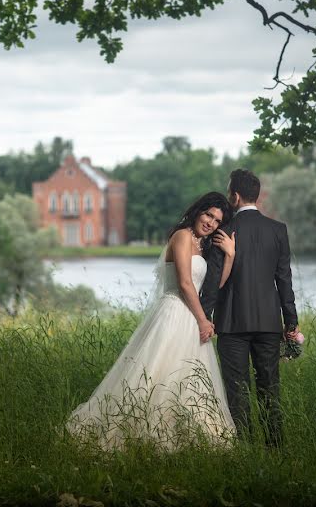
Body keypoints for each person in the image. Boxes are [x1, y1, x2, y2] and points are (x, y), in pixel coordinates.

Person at [67, 192, 237, 450]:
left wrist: (231, 256)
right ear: (198, 211)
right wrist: (203, 320)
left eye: (216, 220)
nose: (211, 223)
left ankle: (185, 433)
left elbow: (215, 286)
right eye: (208, 215)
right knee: (157, 372)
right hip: (174, 313)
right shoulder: (181, 236)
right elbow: (184, 282)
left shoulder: (204, 246)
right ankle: (145, 431)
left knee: (187, 378)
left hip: (192, 317)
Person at [199, 169, 299, 448]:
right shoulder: (278, 230)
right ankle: (275, 447)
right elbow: (284, 279)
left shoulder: (224, 231)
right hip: (269, 322)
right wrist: (291, 322)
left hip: (232, 323)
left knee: (237, 390)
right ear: (257, 195)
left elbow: (213, 283)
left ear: (235, 195)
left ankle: (245, 447)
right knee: (270, 388)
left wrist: (203, 318)